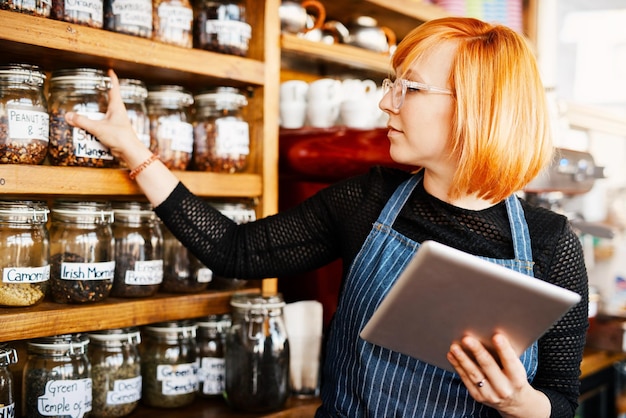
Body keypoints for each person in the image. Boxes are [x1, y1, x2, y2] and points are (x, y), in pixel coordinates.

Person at [65, 16, 588, 418]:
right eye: (391, 83)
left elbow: (563, 399)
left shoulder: (549, 244)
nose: (387, 103)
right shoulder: (366, 200)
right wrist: (133, 149)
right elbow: (235, 249)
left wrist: (523, 404)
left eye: (409, 87)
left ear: (476, 108)